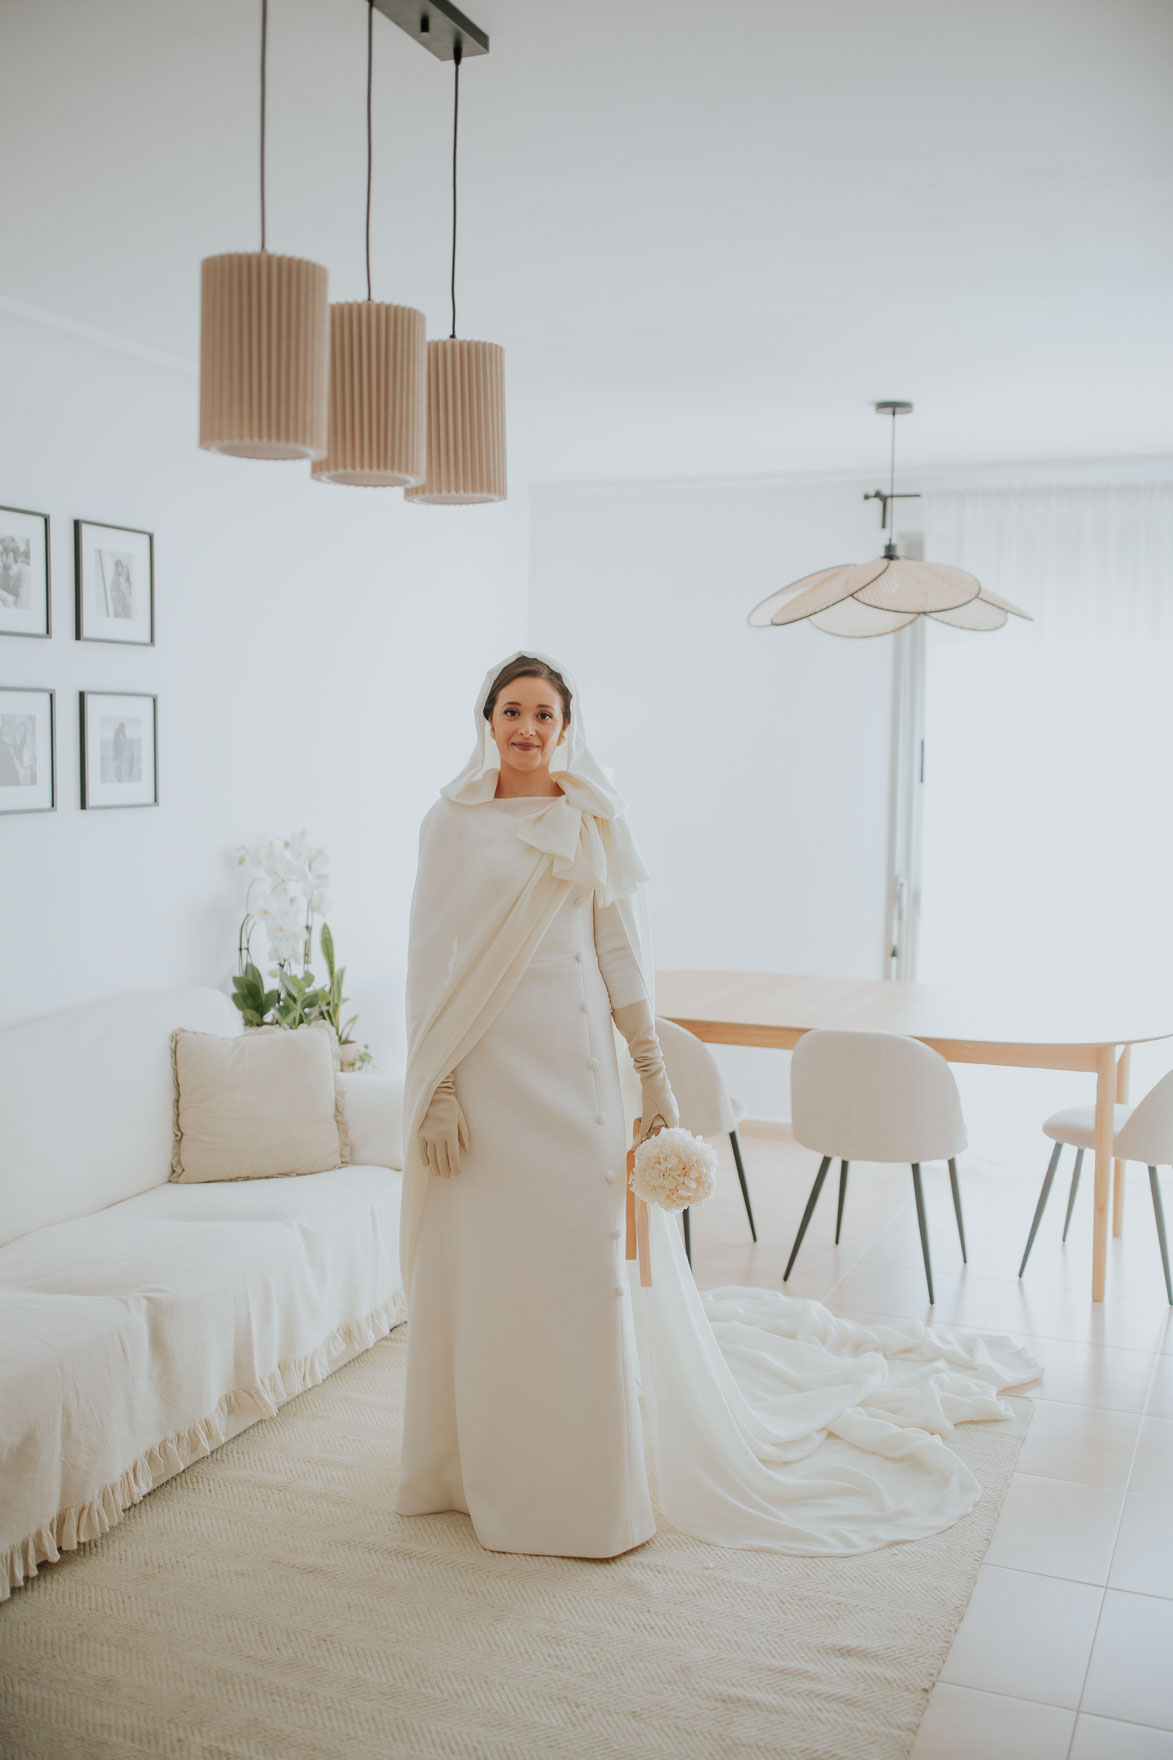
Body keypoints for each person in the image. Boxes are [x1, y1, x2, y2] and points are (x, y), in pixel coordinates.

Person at [398, 651, 1038, 1561]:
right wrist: (441, 1091)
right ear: (485, 720)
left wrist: (653, 1078)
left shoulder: (591, 818)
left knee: (583, 1269)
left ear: (566, 726)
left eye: (544, 713)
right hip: (488, 1081)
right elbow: (434, 963)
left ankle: (583, 1490)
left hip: (576, 1078)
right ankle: (477, 1473)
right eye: (511, 710)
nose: (527, 728)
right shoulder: (449, 825)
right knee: (493, 1274)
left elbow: (617, 955)